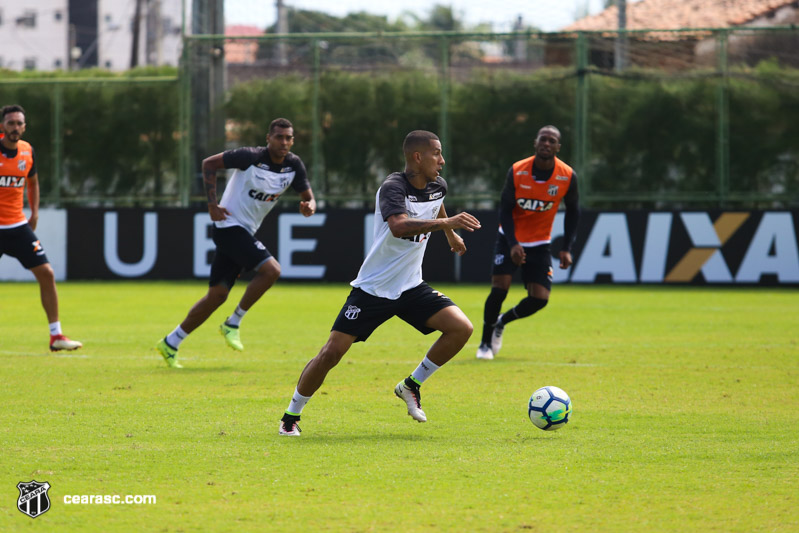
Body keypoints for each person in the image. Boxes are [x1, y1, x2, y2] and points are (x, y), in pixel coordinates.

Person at [278, 130, 481, 436]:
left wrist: (450, 233)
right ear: (417, 156)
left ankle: (411, 385)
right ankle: (291, 416)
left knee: (461, 328)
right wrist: (446, 225)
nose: (442, 160)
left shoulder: (438, 185)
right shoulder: (392, 187)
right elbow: (398, 227)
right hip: (374, 289)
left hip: (411, 287)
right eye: (436, 153)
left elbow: (435, 201)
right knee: (331, 353)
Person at [155, 118, 316, 368]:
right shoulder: (249, 157)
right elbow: (209, 164)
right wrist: (211, 204)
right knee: (271, 270)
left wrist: (309, 207)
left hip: (245, 231)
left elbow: (308, 196)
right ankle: (233, 322)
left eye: (289, 138)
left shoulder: (294, 165)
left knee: (217, 295)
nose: (284, 142)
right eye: (279, 137)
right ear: (268, 138)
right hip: (228, 227)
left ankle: (171, 342)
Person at [475, 125, 580, 360]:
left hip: (540, 243)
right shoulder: (517, 170)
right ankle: (484, 343)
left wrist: (566, 248)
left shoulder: (567, 176)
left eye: (552, 141)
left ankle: (502, 321)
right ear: (536, 142)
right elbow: (505, 210)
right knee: (499, 288)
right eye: (543, 139)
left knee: (540, 298)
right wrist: (513, 243)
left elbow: (573, 211)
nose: (547, 144)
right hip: (509, 238)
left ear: (558, 147)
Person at [0, 104, 83, 352]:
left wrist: (34, 212)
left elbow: (33, 183)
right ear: (2, 126)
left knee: (46, 273)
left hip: (17, 226)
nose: (15, 127)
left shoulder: (27, 151)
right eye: (11, 123)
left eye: (19, 123)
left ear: (24, 127)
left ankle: (56, 336)